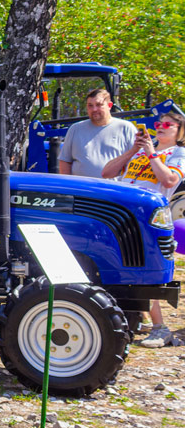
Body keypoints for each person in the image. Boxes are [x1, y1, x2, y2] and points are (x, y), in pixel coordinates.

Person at [103, 110, 185, 348]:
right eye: (159, 123)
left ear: (179, 131)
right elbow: (107, 173)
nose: (161, 126)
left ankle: (161, 328)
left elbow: (169, 180)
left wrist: (151, 154)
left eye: (168, 124)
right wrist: (133, 150)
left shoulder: (178, 153)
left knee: (147, 273)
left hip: (149, 218)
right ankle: (136, 318)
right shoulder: (139, 151)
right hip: (124, 215)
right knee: (125, 269)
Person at [58, 88, 135, 177]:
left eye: (99, 105)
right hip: (82, 188)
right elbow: (65, 160)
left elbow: (136, 160)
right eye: (90, 105)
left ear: (109, 105)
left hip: (113, 188)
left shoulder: (125, 128)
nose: (94, 109)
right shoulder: (75, 129)